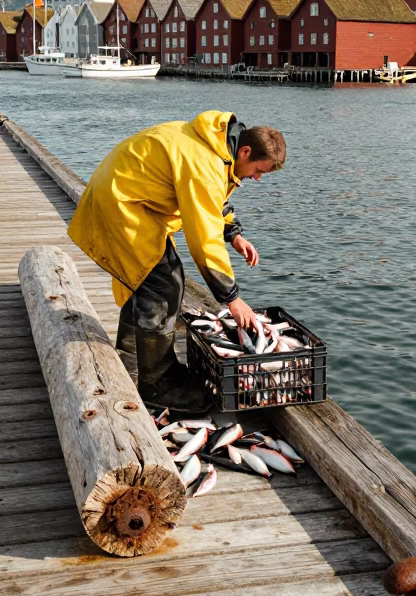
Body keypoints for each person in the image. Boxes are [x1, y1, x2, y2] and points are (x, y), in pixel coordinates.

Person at [67, 110, 286, 411]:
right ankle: (157, 386)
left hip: (129, 200)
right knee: (164, 288)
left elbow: (212, 200)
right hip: (122, 206)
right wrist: (232, 299)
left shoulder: (217, 145)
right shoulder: (204, 162)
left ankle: (130, 363)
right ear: (245, 151)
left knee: (149, 284)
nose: (257, 178)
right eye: (258, 170)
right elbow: (203, 236)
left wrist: (234, 234)